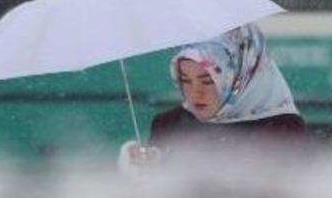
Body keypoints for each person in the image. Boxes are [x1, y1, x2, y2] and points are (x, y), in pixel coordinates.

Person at [118, 23, 307, 174]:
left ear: (239, 77)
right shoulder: (169, 124)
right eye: (185, 81)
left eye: (208, 81)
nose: (195, 93)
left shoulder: (283, 128)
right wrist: (141, 167)